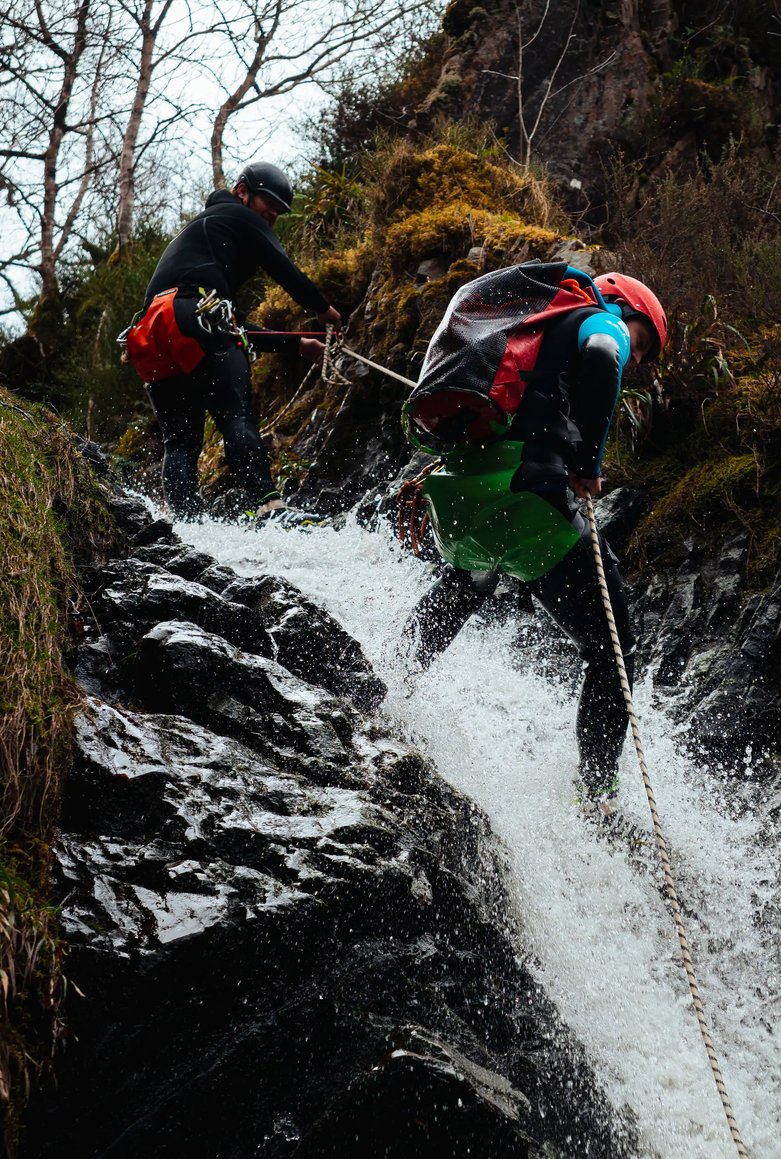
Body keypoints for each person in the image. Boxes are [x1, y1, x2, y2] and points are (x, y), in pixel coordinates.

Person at [400, 266, 667, 807]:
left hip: (463, 494)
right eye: (643, 343)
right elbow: (602, 356)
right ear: (627, 309)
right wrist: (588, 463)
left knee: (467, 583)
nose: (637, 359)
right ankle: (598, 791)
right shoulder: (602, 320)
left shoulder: (535, 326)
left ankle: (387, 681)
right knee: (612, 648)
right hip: (529, 493)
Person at [136, 162, 342, 523]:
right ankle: (270, 508)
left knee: (180, 442)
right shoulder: (237, 216)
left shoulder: (201, 239)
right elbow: (283, 268)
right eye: (269, 204)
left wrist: (297, 344)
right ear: (242, 190)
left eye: (278, 213)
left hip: (154, 329)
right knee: (236, 414)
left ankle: (186, 529)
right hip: (194, 315)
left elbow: (231, 324)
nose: (272, 215)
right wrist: (325, 311)